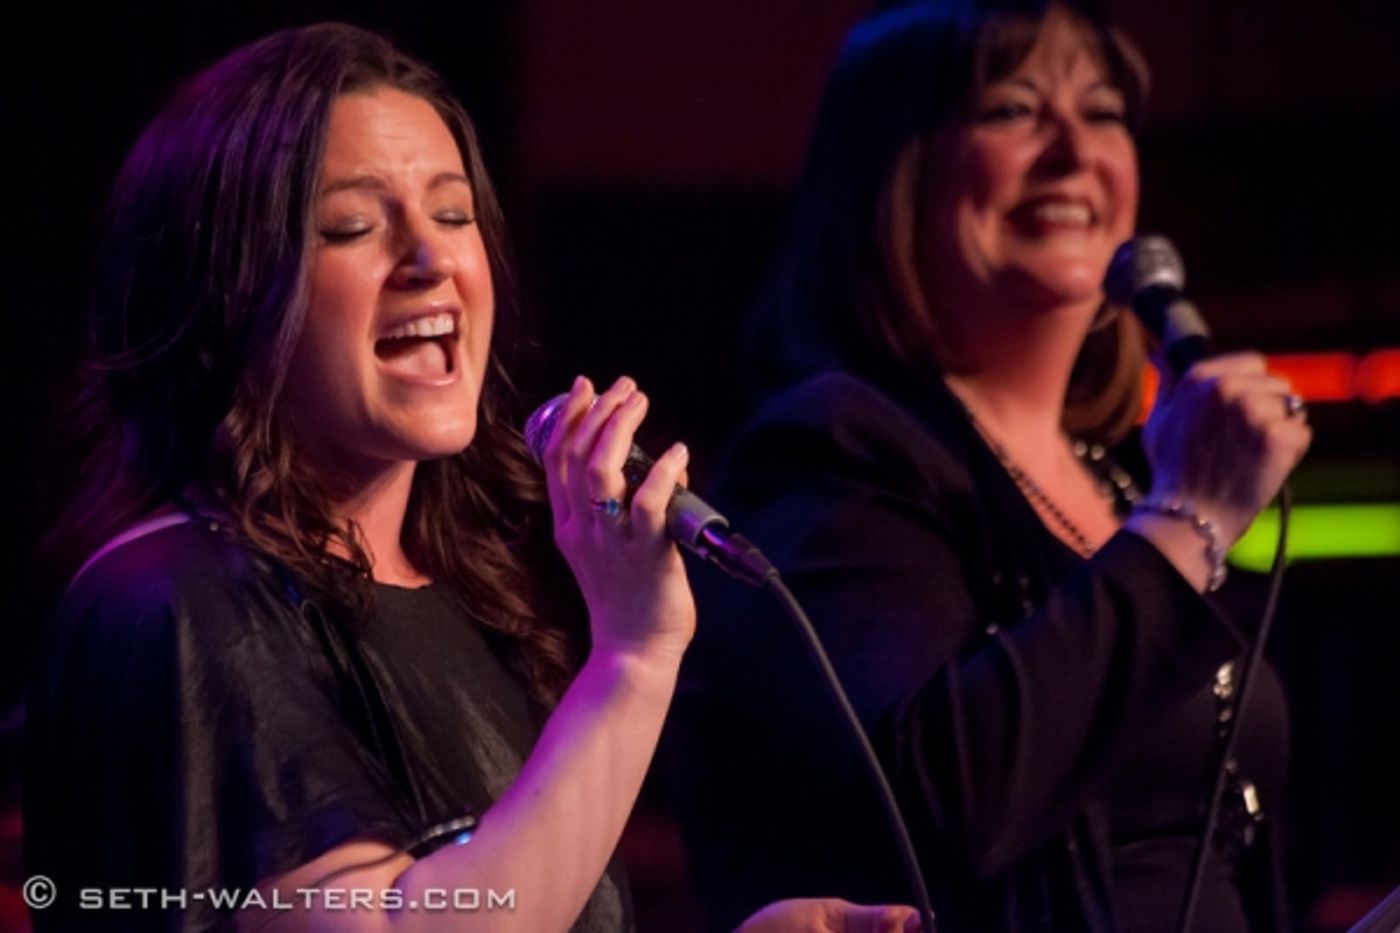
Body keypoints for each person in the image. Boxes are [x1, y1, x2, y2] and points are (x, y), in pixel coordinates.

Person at [21, 22, 918, 933]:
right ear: (225, 292)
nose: (432, 260)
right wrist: (636, 656)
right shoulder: (180, 602)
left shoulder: (471, 612)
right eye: (353, 226)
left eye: (453, 215)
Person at [666, 1, 1311, 931]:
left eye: (1101, 113)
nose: (1073, 151)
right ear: (896, 173)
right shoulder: (834, 451)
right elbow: (937, 797)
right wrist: (1188, 518)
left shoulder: (1122, 481)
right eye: (1013, 110)